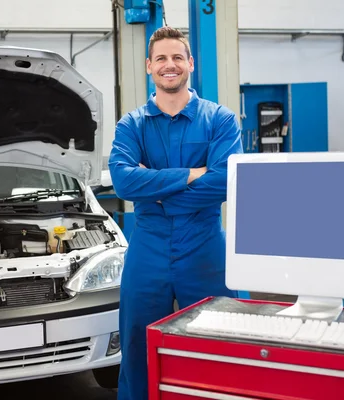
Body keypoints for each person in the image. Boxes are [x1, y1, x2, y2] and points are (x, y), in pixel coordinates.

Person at [108, 26, 244, 399]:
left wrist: (158, 194)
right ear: (149, 65)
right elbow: (124, 184)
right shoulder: (131, 125)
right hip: (148, 245)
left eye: (178, 57)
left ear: (191, 64)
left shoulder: (220, 120)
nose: (171, 65)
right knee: (137, 342)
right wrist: (189, 175)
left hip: (204, 243)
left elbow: (226, 183)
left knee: (220, 336)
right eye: (162, 59)